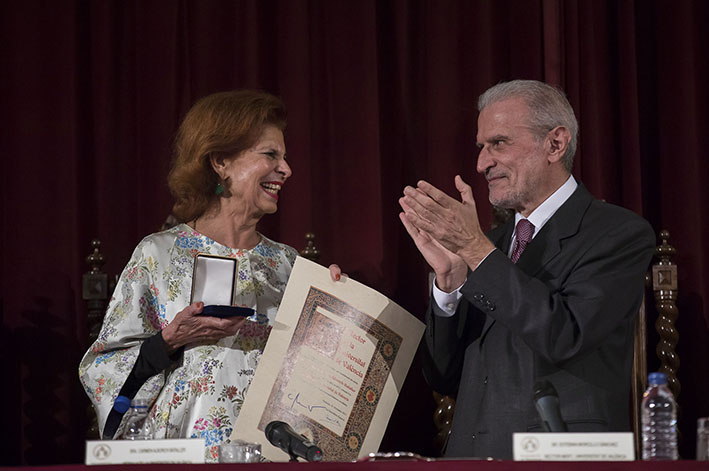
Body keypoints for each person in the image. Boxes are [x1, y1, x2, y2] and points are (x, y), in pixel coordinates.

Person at [399, 80, 655, 459]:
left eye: (499, 143)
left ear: (555, 144)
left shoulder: (618, 234)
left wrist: (474, 247)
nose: (482, 163)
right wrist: (449, 286)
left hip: (559, 459)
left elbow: (565, 335)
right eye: (482, 148)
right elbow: (443, 377)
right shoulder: (492, 243)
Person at [79, 90, 341, 461]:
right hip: (183, 454)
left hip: (271, 455)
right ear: (221, 162)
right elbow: (101, 371)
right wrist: (166, 342)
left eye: (284, 156)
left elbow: (317, 378)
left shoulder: (289, 265)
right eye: (270, 154)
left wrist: (338, 307)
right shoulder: (159, 254)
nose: (287, 169)